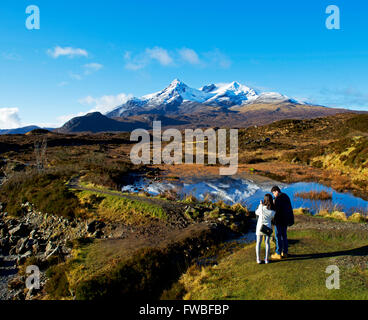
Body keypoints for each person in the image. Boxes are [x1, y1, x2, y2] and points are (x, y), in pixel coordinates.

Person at [270, 186, 294, 260]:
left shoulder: (278, 198)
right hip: (285, 219)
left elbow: (276, 210)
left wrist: (273, 203)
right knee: (284, 236)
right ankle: (285, 252)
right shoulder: (286, 196)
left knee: (278, 236)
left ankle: (278, 253)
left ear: (276, 191)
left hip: (279, 220)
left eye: (274, 193)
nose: (274, 195)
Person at [255, 194, 276, 264]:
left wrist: (260, 205)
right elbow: (272, 217)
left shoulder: (261, 207)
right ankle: (266, 259)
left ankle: (258, 259)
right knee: (267, 243)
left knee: (258, 243)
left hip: (259, 228)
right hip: (267, 228)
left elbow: (256, 213)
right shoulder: (273, 210)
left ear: (265, 200)